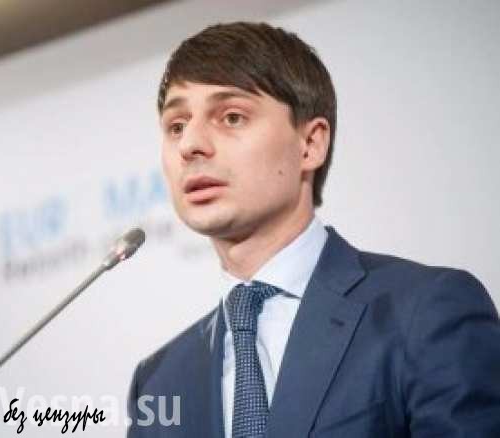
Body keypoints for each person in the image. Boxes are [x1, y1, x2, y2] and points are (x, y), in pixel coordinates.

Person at [126, 22, 500, 437]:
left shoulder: (426, 311)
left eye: (231, 117)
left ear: (310, 144)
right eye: (176, 125)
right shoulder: (158, 384)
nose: (190, 145)